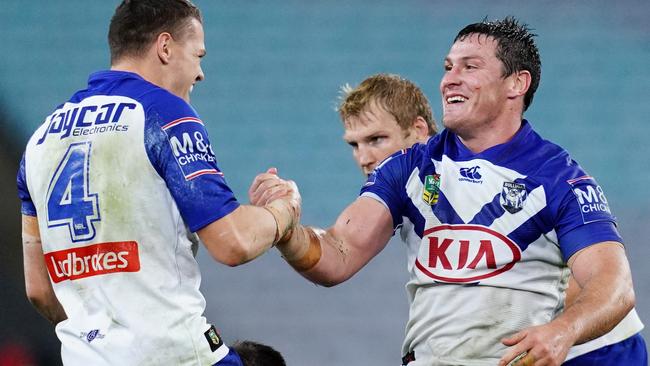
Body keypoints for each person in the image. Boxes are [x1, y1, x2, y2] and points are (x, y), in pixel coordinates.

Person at [251, 17, 647, 365]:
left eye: (469, 66)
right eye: (447, 67)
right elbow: (337, 254)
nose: (449, 79)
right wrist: (285, 228)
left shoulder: (561, 179)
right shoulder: (408, 168)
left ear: (516, 83)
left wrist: (563, 330)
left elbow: (614, 286)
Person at [17, 1, 298, 365]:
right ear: (165, 47)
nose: (200, 74)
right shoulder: (162, 114)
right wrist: (283, 211)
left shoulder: (40, 140)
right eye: (198, 55)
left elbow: (39, 290)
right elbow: (234, 243)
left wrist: (106, 343)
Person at [339, 73, 646, 365]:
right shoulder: (405, 188)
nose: (364, 157)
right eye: (354, 145)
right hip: (527, 351)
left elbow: (589, 278)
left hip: (595, 350)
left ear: (419, 131)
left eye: (376, 139)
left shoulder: (487, 171)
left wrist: (563, 327)